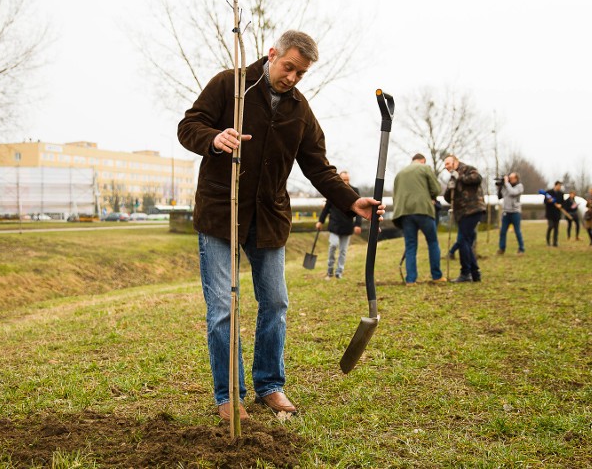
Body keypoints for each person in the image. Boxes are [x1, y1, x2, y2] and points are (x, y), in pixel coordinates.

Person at [177, 30, 384, 422]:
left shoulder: (299, 111)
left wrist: (350, 199)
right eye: (289, 67)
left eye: (300, 73)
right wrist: (214, 137)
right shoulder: (230, 85)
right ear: (272, 54)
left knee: (275, 303)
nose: (292, 77)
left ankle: (269, 385)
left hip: (268, 218)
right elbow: (189, 126)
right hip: (221, 212)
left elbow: (319, 167)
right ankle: (229, 395)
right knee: (223, 307)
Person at [392, 153, 443, 284]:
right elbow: (436, 189)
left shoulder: (400, 173)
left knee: (410, 246)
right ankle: (436, 276)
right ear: (423, 160)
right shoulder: (424, 168)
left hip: (405, 213)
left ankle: (411, 279)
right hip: (423, 210)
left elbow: (395, 195)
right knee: (432, 242)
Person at [444, 155, 486, 283]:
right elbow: (448, 197)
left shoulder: (467, 169)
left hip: (472, 210)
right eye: (445, 164)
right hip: (461, 213)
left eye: (448, 163)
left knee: (462, 241)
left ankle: (466, 273)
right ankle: (475, 273)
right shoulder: (452, 178)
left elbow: (478, 178)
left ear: (455, 162)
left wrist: (460, 178)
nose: (447, 166)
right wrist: (451, 187)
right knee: (466, 241)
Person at [316, 170, 362, 279]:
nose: (345, 182)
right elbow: (326, 208)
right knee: (333, 245)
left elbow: (359, 210)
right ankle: (329, 271)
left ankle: (339, 272)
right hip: (334, 225)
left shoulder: (354, 191)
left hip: (347, 225)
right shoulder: (333, 191)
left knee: (343, 251)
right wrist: (320, 221)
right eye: (343, 180)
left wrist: (358, 224)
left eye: (347, 180)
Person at [497, 172, 525, 255]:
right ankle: (502, 249)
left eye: (511, 178)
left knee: (517, 231)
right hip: (506, 212)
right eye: (509, 177)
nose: (509, 179)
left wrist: (506, 183)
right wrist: (500, 187)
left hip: (515, 212)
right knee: (502, 231)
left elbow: (513, 192)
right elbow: (500, 196)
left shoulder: (519, 186)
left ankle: (521, 249)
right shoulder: (506, 186)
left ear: (516, 179)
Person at [544, 181, 566, 247]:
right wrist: (549, 201)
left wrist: (560, 205)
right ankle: (548, 241)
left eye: (560, 186)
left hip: (557, 214)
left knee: (556, 228)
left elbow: (563, 203)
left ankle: (555, 242)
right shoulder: (549, 192)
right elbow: (545, 201)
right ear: (555, 185)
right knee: (551, 226)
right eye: (559, 186)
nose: (559, 187)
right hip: (550, 213)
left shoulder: (561, 194)